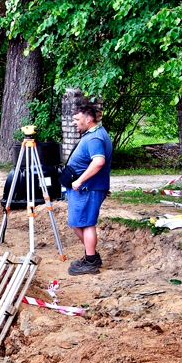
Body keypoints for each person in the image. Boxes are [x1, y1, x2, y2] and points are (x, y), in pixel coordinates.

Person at [66, 101, 113, 275]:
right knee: (79, 223)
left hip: (86, 189)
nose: (74, 122)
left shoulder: (94, 138)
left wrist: (79, 181)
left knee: (86, 224)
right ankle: (90, 256)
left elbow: (99, 161)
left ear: (88, 119)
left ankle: (91, 261)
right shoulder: (94, 133)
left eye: (77, 119)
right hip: (90, 188)